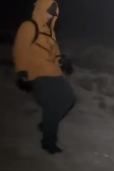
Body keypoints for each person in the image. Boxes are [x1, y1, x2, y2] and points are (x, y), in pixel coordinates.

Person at [13, 0, 75, 154]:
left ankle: (47, 124)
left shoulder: (50, 32)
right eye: (49, 12)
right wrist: (22, 73)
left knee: (69, 98)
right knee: (51, 105)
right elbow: (19, 50)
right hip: (38, 74)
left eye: (53, 14)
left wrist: (64, 63)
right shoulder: (29, 27)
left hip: (54, 73)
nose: (50, 16)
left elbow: (56, 55)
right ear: (41, 9)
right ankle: (48, 142)